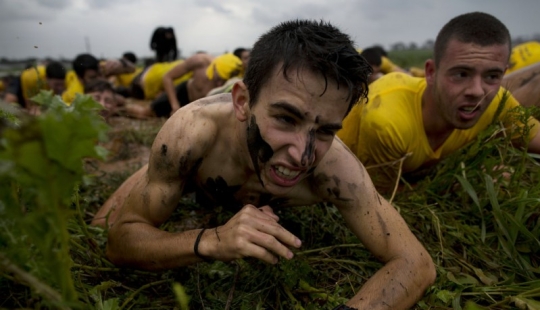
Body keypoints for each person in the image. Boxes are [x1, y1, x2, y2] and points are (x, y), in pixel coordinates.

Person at [92, 19, 435, 309]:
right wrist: (212, 240)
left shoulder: (336, 169)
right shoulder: (192, 133)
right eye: (286, 119)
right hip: (202, 159)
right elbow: (119, 241)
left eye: (326, 130)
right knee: (99, 224)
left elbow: (415, 263)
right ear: (242, 102)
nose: (303, 155)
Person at [337, 12, 540, 192]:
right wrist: (456, 185)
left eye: (492, 76)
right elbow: (377, 202)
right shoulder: (387, 122)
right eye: (461, 74)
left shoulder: (497, 103)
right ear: (431, 73)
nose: (477, 92)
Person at [127, 52, 242, 118]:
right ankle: (119, 107)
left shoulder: (236, 73)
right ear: (215, 67)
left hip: (200, 108)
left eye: (223, 81)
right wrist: (174, 105)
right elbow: (167, 77)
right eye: (218, 79)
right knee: (145, 114)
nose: (219, 84)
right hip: (183, 94)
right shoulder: (199, 61)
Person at [62, 53, 136, 105]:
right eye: (93, 78)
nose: (99, 79)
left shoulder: (99, 67)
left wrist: (121, 63)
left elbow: (132, 69)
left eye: (100, 74)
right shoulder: (76, 95)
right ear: (80, 78)